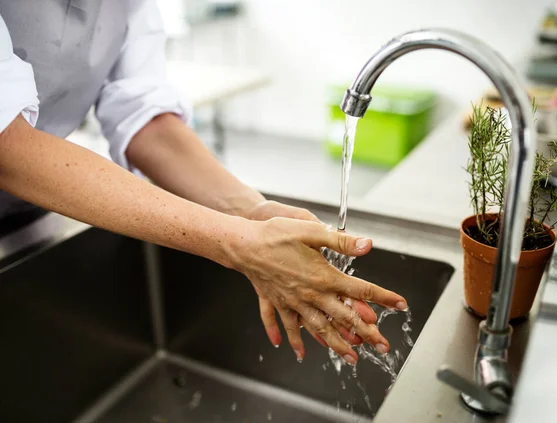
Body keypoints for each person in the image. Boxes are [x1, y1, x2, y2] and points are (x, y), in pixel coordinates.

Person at [0, 0, 407, 365]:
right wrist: (239, 243)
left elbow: (143, 116)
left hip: (37, 209)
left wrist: (251, 213)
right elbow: (8, 146)